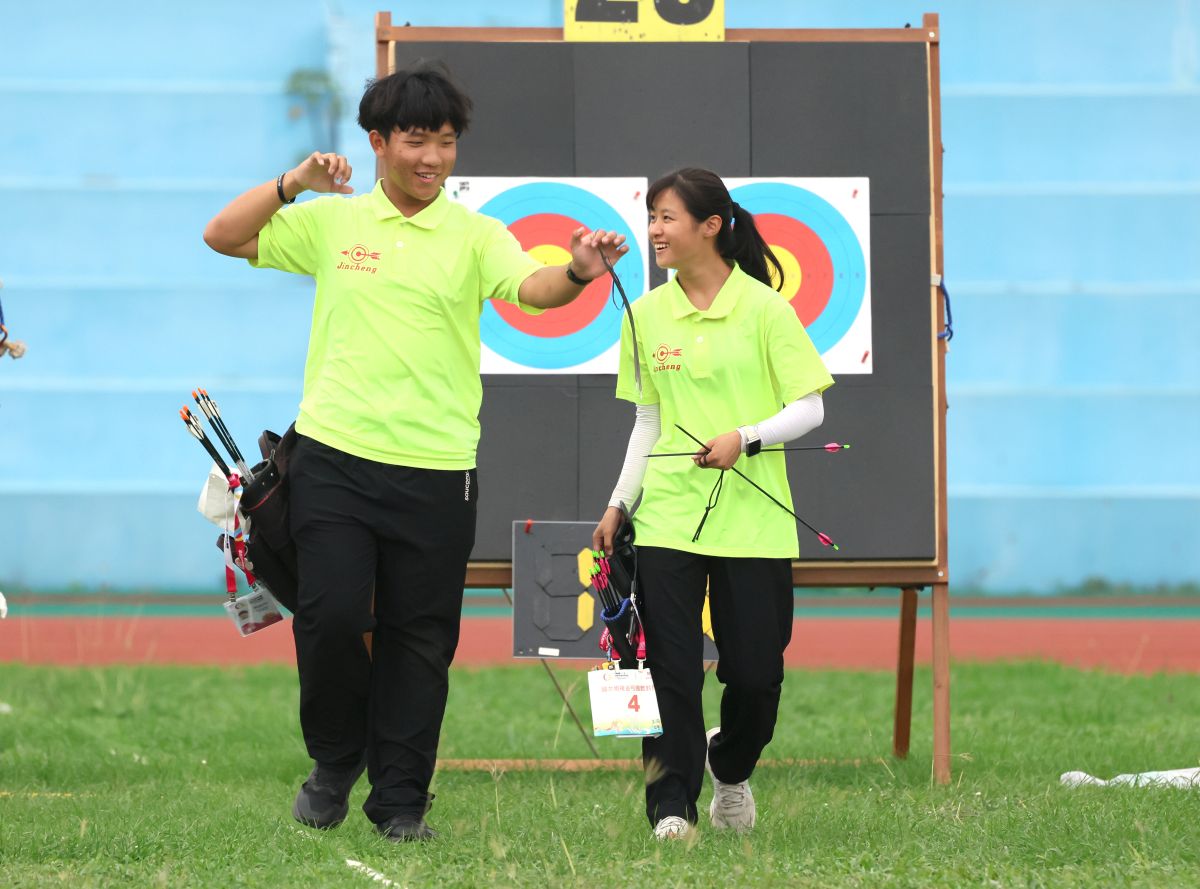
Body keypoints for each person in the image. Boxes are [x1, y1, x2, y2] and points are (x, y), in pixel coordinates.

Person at [203, 62, 626, 842]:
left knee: (420, 639)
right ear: (378, 142)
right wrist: (293, 181)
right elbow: (223, 235)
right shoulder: (334, 222)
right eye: (415, 140)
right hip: (331, 459)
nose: (432, 158)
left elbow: (533, 290)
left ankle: (401, 801)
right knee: (329, 618)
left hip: (438, 472)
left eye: (446, 142)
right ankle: (335, 762)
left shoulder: (474, 234)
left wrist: (576, 271)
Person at [592, 168, 833, 840]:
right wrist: (619, 503)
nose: (655, 230)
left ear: (711, 226)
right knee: (668, 667)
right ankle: (671, 805)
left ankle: (731, 764)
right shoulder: (643, 314)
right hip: (668, 515)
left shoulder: (766, 309)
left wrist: (746, 438)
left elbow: (810, 406)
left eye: (667, 217)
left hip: (754, 522)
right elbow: (648, 420)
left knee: (756, 676)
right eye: (651, 216)